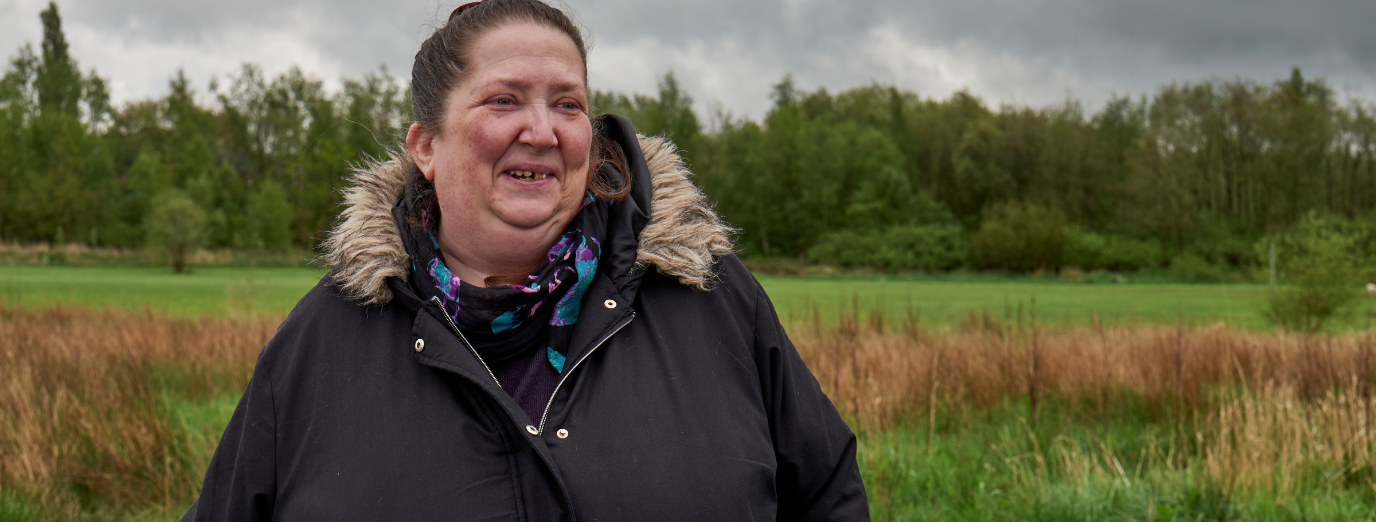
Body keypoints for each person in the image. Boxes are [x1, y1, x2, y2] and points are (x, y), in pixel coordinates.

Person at [181, 0, 868, 519]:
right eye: (504, 100)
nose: (541, 132)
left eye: (567, 104)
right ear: (425, 145)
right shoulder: (321, 342)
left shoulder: (712, 300)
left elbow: (828, 492)